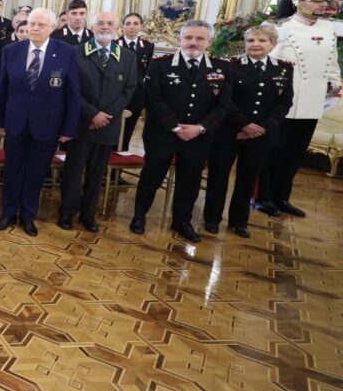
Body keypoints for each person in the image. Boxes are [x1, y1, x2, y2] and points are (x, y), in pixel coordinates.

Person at [130, 20, 232, 242]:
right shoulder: (160, 65)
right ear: (180, 39)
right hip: (162, 134)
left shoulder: (221, 68)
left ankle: (182, 221)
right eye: (188, 38)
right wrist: (175, 126)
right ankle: (139, 216)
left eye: (199, 38)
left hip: (198, 137)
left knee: (190, 181)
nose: (193, 43)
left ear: (209, 41)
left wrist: (200, 128)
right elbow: (153, 99)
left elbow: (224, 105)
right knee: (151, 177)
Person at [0, 8, 82, 237]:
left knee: (36, 172)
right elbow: (2, 89)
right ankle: (8, 213)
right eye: (32, 23)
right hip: (15, 122)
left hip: (48, 125)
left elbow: (72, 93)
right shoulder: (12, 51)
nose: (35, 28)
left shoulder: (66, 52)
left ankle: (29, 215)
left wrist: (69, 128)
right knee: (12, 170)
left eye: (41, 25)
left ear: (53, 28)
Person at [256, 0, 341, 216]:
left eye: (324, 1)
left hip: (313, 102)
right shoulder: (279, 28)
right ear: (300, 2)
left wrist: (334, 83)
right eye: (316, 1)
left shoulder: (329, 28)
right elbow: (266, 63)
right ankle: (263, 198)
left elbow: (331, 61)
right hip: (283, 104)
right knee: (272, 152)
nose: (323, 5)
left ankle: (282, 197)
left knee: (295, 154)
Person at [203, 25, 292, 238]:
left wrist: (262, 128)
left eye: (261, 41)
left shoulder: (284, 69)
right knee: (218, 176)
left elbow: (284, 103)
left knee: (248, 177)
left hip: (261, 135)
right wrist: (244, 125)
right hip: (228, 132)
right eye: (251, 40)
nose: (255, 45)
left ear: (272, 44)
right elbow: (225, 99)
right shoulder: (231, 67)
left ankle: (239, 221)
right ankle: (212, 218)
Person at [58, 12, 138, 232]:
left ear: (117, 28)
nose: (105, 27)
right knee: (74, 172)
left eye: (110, 24)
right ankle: (67, 212)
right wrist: (92, 113)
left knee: (97, 174)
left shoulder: (128, 57)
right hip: (81, 123)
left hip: (108, 126)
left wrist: (105, 116)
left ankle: (88, 214)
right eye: (100, 23)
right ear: (91, 27)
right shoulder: (75, 53)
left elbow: (129, 90)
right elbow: (70, 89)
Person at [117, 12, 153, 148]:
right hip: (117, 94)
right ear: (122, 26)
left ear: (141, 26)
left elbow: (147, 72)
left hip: (136, 95)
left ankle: (119, 164)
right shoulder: (115, 44)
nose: (131, 27)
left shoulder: (148, 47)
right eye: (128, 23)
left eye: (135, 23)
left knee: (128, 131)